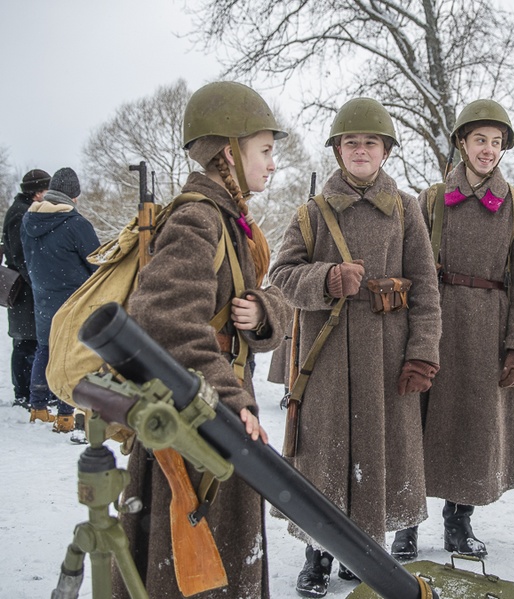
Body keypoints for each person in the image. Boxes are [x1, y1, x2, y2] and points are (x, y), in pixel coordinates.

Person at [111, 81, 292, 598]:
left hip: (208, 415)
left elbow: (231, 308)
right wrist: (230, 401)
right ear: (228, 155)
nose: (272, 164)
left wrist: (260, 312)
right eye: (264, 151)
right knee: (191, 571)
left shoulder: (227, 221)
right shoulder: (197, 218)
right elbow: (163, 318)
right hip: (198, 425)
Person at [268, 97, 442, 597]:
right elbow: (280, 277)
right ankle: (318, 554)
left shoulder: (407, 209)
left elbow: (426, 289)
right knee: (326, 458)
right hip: (326, 361)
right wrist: (326, 278)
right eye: (351, 142)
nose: (361, 150)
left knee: (379, 457)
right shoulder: (312, 212)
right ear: (338, 150)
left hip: (388, 360)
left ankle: (366, 551)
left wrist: (423, 353)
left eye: (370, 142)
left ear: (385, 150)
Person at [414, 99, 514, 558]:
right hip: (436, 321)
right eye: (479, 140)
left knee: (473, 428)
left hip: (488, 332)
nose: (487, 150)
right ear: (462, 143)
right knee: (418, 420)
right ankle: (407, 522)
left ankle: (458, 520)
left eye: (496, 142)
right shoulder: (431, 200)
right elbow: (412, 267)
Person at [21, 167, 99, 432]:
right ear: (74, 196)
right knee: (68, 356)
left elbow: (26, 258)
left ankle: (38, 407)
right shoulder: (76, 224)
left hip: (42, 295)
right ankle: (66, 414)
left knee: (44, 349)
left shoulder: (28, 220)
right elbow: (97, 264)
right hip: (72, 300)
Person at [2, 169, 49, 410]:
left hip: (26, 286)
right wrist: (37, 282)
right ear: (37, 191)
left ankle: (28, 391)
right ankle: (23, 393)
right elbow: (21, 256)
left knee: (28, 341)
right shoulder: (21, 213)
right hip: (23, 289)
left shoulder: (22, 210)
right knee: (25, 343)